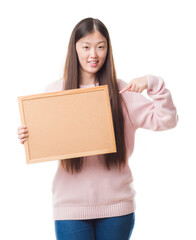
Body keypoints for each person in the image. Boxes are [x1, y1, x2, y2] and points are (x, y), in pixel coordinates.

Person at [17, 17, 178, 240]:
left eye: (101, 47)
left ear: (108, 50)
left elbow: (166, 121)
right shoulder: (55, 92)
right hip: (70, 208)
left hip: (117, 207)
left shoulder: (123, 92)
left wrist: (153, 83)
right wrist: (29, 135)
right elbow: (44, 139)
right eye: (86, 47)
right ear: (74, 49)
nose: (93, 54)